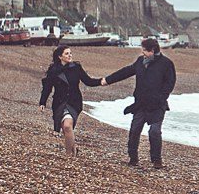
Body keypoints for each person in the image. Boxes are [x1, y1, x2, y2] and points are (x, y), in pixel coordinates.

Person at [102, 38, 176, 169]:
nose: (142, 53)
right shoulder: (140, 62)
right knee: (135, 130)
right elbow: (126, 72)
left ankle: (156, 160)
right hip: (140, 104)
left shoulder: (166, 64)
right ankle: (133, 158)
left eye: (144, 50)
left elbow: (170, 84)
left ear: (152, 51)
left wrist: (161, 98)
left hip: (157, 105)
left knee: (154, 132)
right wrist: (107, 80)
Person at [39, 45, 106, 156]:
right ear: (60, 56)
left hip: (74, 102)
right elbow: (47, 88)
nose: (70, 55)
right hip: (59, 103)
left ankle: (69, 155)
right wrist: (42, 102)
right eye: (66, 53)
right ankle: (74, 148)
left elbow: (88, 81)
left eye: (70, 53)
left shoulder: (76, 67)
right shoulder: (53, 70)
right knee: (66, 130)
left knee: (67, 126)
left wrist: (101, 81)